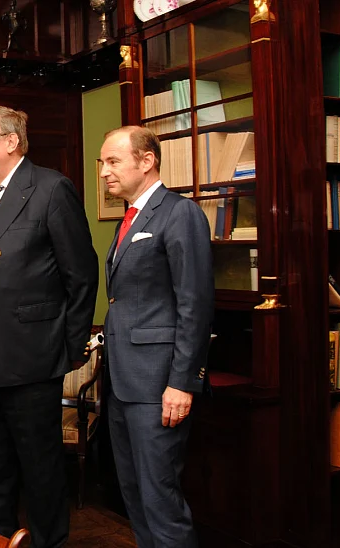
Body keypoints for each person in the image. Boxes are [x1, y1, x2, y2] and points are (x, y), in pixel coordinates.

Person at [0, 105, 99, 548]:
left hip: (31, 355)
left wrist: (69, 348)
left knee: (40, 466)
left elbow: (81, 275)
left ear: (11, 142)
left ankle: (49, 542)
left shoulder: (50, 189)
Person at [98, 126, 214, 548]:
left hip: (158, 386)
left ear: (146, 161)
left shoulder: (179, 213)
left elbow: (194, 305)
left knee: (160, 501)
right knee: (134, 497)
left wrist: (183, 382)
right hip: (122, 384)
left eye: (113, 161)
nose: (105, 172)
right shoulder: (129, 217)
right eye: (103, 163)